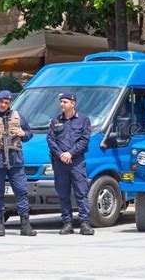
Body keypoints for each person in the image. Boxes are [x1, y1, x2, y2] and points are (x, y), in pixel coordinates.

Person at [0, 90, 37, 237]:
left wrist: (23, 133)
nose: (3, 104)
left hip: (15, 162)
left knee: (21, 192)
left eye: (6, 102)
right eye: (1, 102)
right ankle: (0, 225)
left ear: (9, 103)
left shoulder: (18, 116)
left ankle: (25, 225)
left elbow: (29, 133)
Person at [47, 93, 94, 235]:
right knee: (63, 194)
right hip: (60, 162)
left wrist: (70, 153)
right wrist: (61, 154)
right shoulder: (55, 120)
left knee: (81, 192)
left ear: (73, 103)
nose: (62, 104)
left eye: (65, 102)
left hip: (76, 162)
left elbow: (84, 140)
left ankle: (84, 223)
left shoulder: (84, 119)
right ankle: (67, 223)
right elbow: (50, 140)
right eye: (61, 102)